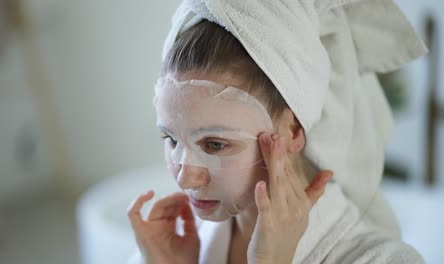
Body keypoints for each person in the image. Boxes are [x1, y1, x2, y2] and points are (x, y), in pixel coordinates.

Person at [128, 0, 427, 263]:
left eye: (215, 145)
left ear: (293, 129)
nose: (184, 177)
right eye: (170, 139)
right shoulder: (170, 248)